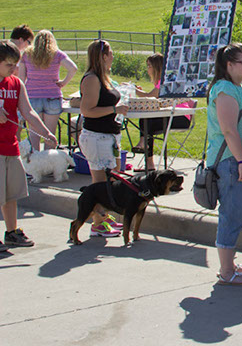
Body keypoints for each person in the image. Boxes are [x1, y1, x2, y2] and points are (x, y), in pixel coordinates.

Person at [207, 43, 242, 285]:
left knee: (238, 213)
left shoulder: (236, 88)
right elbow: (228, 130)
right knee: (231, 213)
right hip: (233, 162)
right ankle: (226, 272)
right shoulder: (225, 90)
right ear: (229, 65)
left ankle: (229, 263)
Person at [0, 41, 57, 251]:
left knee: (11, 193)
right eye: (8, 64)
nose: (14, 69)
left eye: (16, 64)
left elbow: (29, 111)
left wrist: (46, 132)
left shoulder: (16, 84)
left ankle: (11, 232)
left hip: (10, 147)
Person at [79, 40, 129, 237]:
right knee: (99, 181)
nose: (113, 57)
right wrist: (113, 109)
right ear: (102, 56)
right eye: (110, 54)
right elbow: (86, 110)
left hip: (109, 135)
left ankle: (104, 215)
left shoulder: (104, 77)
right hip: (96, 136)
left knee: (111, 177)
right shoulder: (91, 79)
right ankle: (97, 222)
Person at [18, 30, 77, 151]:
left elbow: (21, 79)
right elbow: (73, 68)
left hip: (32, 97)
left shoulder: (26, 54)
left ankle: (34, 165)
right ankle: (49, 165)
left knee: (34, 135)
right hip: (53, 97)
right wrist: (63, 82)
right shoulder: (57, 54)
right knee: (50, 135)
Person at [133, 53, 192, 171]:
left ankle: (145, 151)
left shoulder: (164, 82)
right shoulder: (161, 82)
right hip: (171, 114)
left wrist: (135, 91)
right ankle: (147, 157)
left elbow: (150, 97)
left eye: (149, 66)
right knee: (146, 121)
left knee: (146, 122)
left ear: (156, 67)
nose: (147, 69)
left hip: (180, 116)